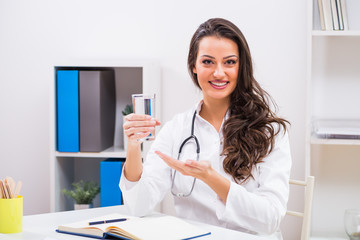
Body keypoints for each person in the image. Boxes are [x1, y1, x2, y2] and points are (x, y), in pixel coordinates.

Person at [120, 18, 291, 239]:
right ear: (194, 65)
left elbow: (270, 219)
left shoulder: (270, 132)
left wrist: (211, 178)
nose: (219, 73)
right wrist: (133, 146)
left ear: (241, 66)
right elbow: (138, 207)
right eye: (208, 62)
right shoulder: (176, 130)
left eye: (229, 62)